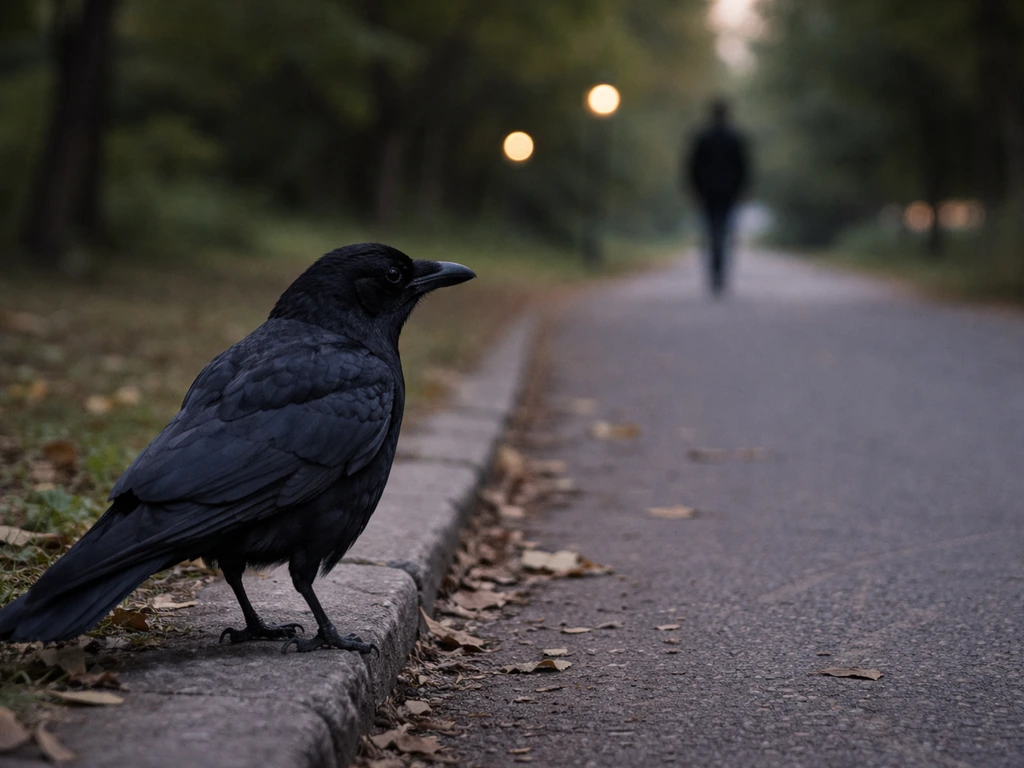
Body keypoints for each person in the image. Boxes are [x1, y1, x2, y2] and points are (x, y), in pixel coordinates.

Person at [685, 98, 750, 297]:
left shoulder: (702, 137)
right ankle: (719, 273)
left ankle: (715, 272)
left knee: (712, 232)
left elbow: (692, 166)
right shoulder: (735, 137)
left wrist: (694, 189)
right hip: (728, 193)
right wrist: (741, 190)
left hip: (707, 193)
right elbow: (743, 167)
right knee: (723, 232)